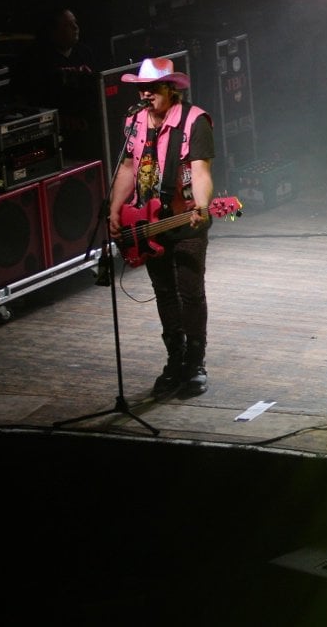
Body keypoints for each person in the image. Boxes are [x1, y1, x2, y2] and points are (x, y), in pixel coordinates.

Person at [107, 57, 216, 397]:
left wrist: (201, 205)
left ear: (170, 89)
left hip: (185, 219)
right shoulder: (135, 120)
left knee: (190, 292)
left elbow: (200, 171)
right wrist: (115, 209)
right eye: (142, 89)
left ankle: (195, 363)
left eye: (153, 88)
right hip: (147, 222)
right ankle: (175, 359)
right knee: (165, 291)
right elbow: (128, 167)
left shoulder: (195, 121)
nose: (146, 94)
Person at [13, 8, 97, 109]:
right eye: (67, 25)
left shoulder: (84, 52)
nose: (75, 27)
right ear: (53, 32)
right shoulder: (35, 58)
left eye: (75, 22)